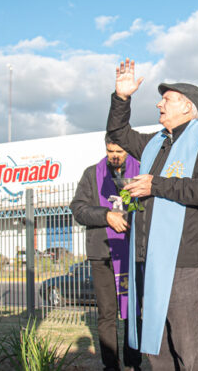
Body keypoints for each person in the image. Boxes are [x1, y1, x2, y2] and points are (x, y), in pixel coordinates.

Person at [106, 58, 198, 370]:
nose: (159, 104)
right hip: (149, 256)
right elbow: (118, 133)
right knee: (157, 344)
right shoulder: (156, 142)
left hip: (185, 260)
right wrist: (121, 97)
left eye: (167, 99)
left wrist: (156, 185)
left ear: (187, 107)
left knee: (189, 345)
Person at [70, 137, 142, 371]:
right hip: (101, 253)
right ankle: (110, 365)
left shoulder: (141, 171)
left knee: (134, 311)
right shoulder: (92, 174)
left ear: (127, 150)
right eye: (110, 151)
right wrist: (106, 215)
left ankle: (134, 363)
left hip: (132, 253)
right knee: (106, 314)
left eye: (119, 151)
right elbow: (78, 209)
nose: (115, 155)